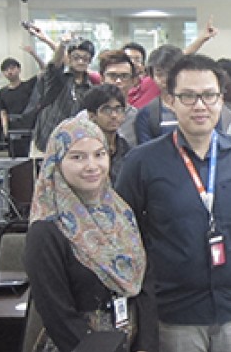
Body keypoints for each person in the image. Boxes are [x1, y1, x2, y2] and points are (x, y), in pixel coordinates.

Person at [116, 54, 231, 352]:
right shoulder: (142, 162)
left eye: (209, 95)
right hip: (174, 312)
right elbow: (124, 234)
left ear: (221, 98)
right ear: (170, 100)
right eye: (188, 96)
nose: (200, 105)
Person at [25, 117, 156, 352]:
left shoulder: (121, 213)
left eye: (99, 154)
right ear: (56, 162)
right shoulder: (47, 230)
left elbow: (145, 283)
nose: (92, 165)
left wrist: (146, 345)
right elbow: (58, 315)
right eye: (77, 157)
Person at [33, 35, 95, 153]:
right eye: (76, 57)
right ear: (69, 59)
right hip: (46, 140)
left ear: (90, 61)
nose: (80, 61)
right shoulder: (58, 78)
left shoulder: (90, 88)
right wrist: (62, 45)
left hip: (73, 143)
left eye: (85, 58)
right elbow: (54, 65)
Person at [81, 84, 131, 185]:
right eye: (106, 110)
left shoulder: (127, 149)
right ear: (92, 116)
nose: (114, 115)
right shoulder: (82, 149)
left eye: (118, 109)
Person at [134, 44, 182, 144]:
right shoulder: (147, 114)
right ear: (151, 76)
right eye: (160, 74)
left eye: (171, 72)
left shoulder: (201, 107)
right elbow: (146, 152)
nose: (165, 79)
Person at [98, 50, 138, 146]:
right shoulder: (87, 116)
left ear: (133, 81)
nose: (118, 81)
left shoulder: (138, 118)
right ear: (102, 79)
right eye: (112, 75)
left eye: (124, 76)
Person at [0, 57, 37, 136]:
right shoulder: (2, 92)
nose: (9, 71)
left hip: (30, 128)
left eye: (12, 68)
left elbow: (45, 71)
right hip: (13, 130)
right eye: (6, 70)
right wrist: (5, 129)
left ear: (19, 69)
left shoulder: (29, 85)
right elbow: (3, 112)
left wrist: (33, 54)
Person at [122, 42, 161, 109]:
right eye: (128, 59)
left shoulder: (152, 83)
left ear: (143, 66)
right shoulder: (114, 84)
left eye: (137, 60)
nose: (132, 63)